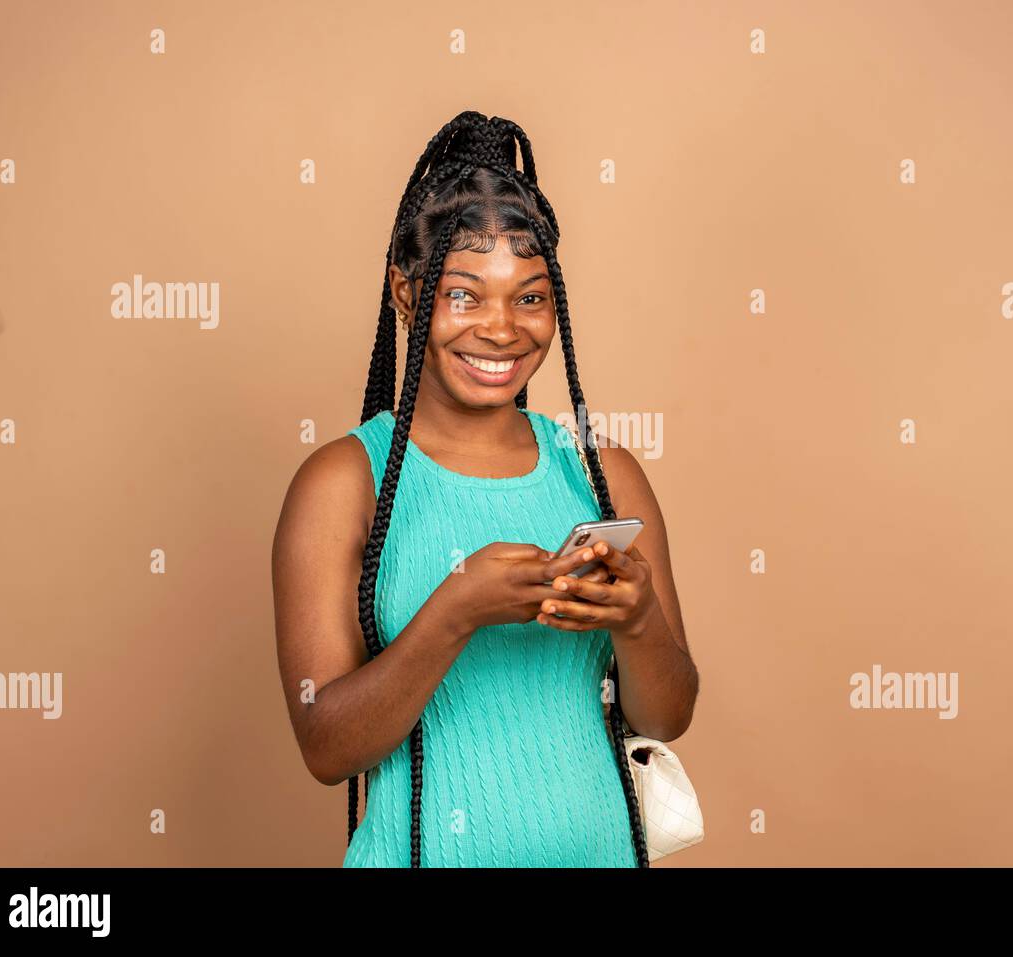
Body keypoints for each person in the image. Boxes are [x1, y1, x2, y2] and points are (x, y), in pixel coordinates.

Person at [271, 111, 698, 867]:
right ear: (406, 294)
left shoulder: (602, 472)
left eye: (530, 298)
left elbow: (667, 714)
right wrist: (456, 610)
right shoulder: (344, 483)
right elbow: (325, 745)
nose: (502, 328)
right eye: (465, 294)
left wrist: (638, 622)